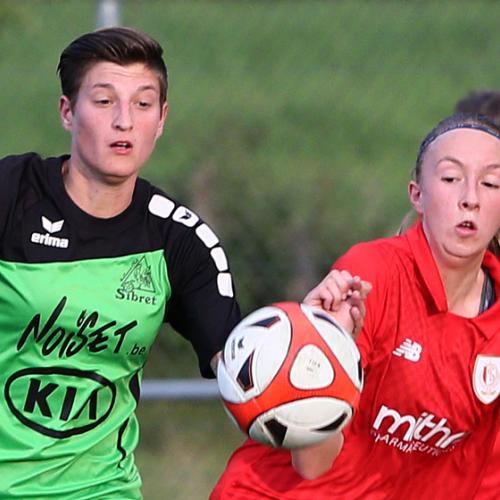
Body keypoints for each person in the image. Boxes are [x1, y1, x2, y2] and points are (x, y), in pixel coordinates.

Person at [0, 27, 244, 499]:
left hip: (100, 489)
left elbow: (240, 363)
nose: (124, 122)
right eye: (105, 101)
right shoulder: (12, 194)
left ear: (162, 119)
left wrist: (309, 334)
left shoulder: (179, 239)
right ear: (68, 112)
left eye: (143, 104)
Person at [211, 113, 500, 499]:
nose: (471, 198)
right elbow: (313, 466)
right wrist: (329, 356)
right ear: (417, 194)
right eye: (450, 178)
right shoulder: (372, 276)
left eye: (491, 182)